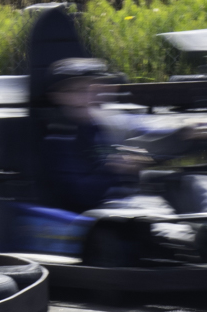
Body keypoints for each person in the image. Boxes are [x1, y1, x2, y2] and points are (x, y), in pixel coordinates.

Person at [40, 58, 151, 212]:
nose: (89, 96)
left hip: (122, 207)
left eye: (96, 89)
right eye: (79, 90)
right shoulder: (60, 136)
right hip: (84, 217)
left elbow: (148, 129)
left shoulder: (103, 123)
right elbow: (80, 196)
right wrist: (115, 168)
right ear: (57, 96)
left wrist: (181, 135)